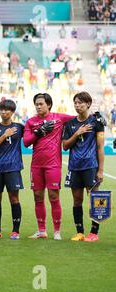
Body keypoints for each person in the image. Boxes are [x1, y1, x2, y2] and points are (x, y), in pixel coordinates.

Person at [23, 93, 74, 240]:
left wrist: (94, 116)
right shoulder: (31, 122)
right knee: (38, 197)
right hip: (36, 165)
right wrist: (39, 132)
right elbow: (26, 142)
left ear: (49, 105)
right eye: (36, 104)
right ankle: (42, 230)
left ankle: (57, 231)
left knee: (53, 196)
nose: (38, 106)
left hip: (53, 165)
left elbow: (78, 119)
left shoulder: (59, 118)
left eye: (41, 104)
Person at [62, 92, 105, 242]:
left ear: (88, 104)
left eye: (80, 103)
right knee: (77, 199)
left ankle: (94, 233)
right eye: (75, 103)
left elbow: (100, 148)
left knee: (95, 199)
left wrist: (100, 170)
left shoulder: (96, 122)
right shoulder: (70, 124)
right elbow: (65, 145)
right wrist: (77, 133)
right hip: (74, 167)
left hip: (91, 166)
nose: (77, 105)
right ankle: (80, 232)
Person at [0, 99, 24, 240]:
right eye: (1, 109)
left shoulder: (19, 127)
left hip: (13, 168)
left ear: (12, 112)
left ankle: (15, 231)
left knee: (14, 198)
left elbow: (31, 138)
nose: (4, 112)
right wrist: (4, 135)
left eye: (7, 109)